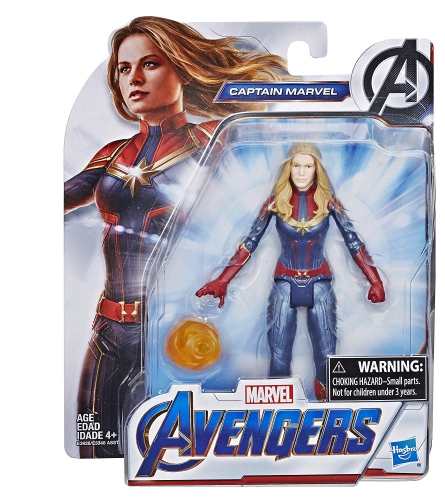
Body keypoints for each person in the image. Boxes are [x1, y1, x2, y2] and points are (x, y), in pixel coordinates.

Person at [64, 16, 288, 458]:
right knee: (96, 454)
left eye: (149, 64)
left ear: (181, 69)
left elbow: (267, 200)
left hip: (177, 332)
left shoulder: (212, 141)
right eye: (124, 69)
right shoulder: (112, 155)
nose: (134, 78)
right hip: (109, 330)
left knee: (181, 456)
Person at [196, 143, 385, 400]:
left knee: (327, 359)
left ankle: (328, 409)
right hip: (285, 281)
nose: (302, 172)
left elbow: (353, 242)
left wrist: (375, 281)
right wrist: (222, 280)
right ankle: (279, 410)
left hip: (319, 282)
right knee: (278, 359)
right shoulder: (275, 203)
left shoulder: (329, 203)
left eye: (308, 166)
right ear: (288, 167)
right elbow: (250, 242)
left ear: (317, 169)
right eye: (296, 165)